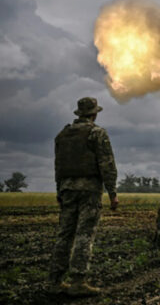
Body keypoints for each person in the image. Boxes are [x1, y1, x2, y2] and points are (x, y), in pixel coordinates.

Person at [48, 97, 119, 296]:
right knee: (84, 234)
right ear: (94, 113)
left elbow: (58, 167)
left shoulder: (62, 135)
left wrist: (58, 191)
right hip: (89, 190)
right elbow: (107, 165)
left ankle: (54, 281)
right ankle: (78, 281)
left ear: (79, 114)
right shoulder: (97, 133)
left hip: (66, 189)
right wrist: (112, 193)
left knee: (64, 234)